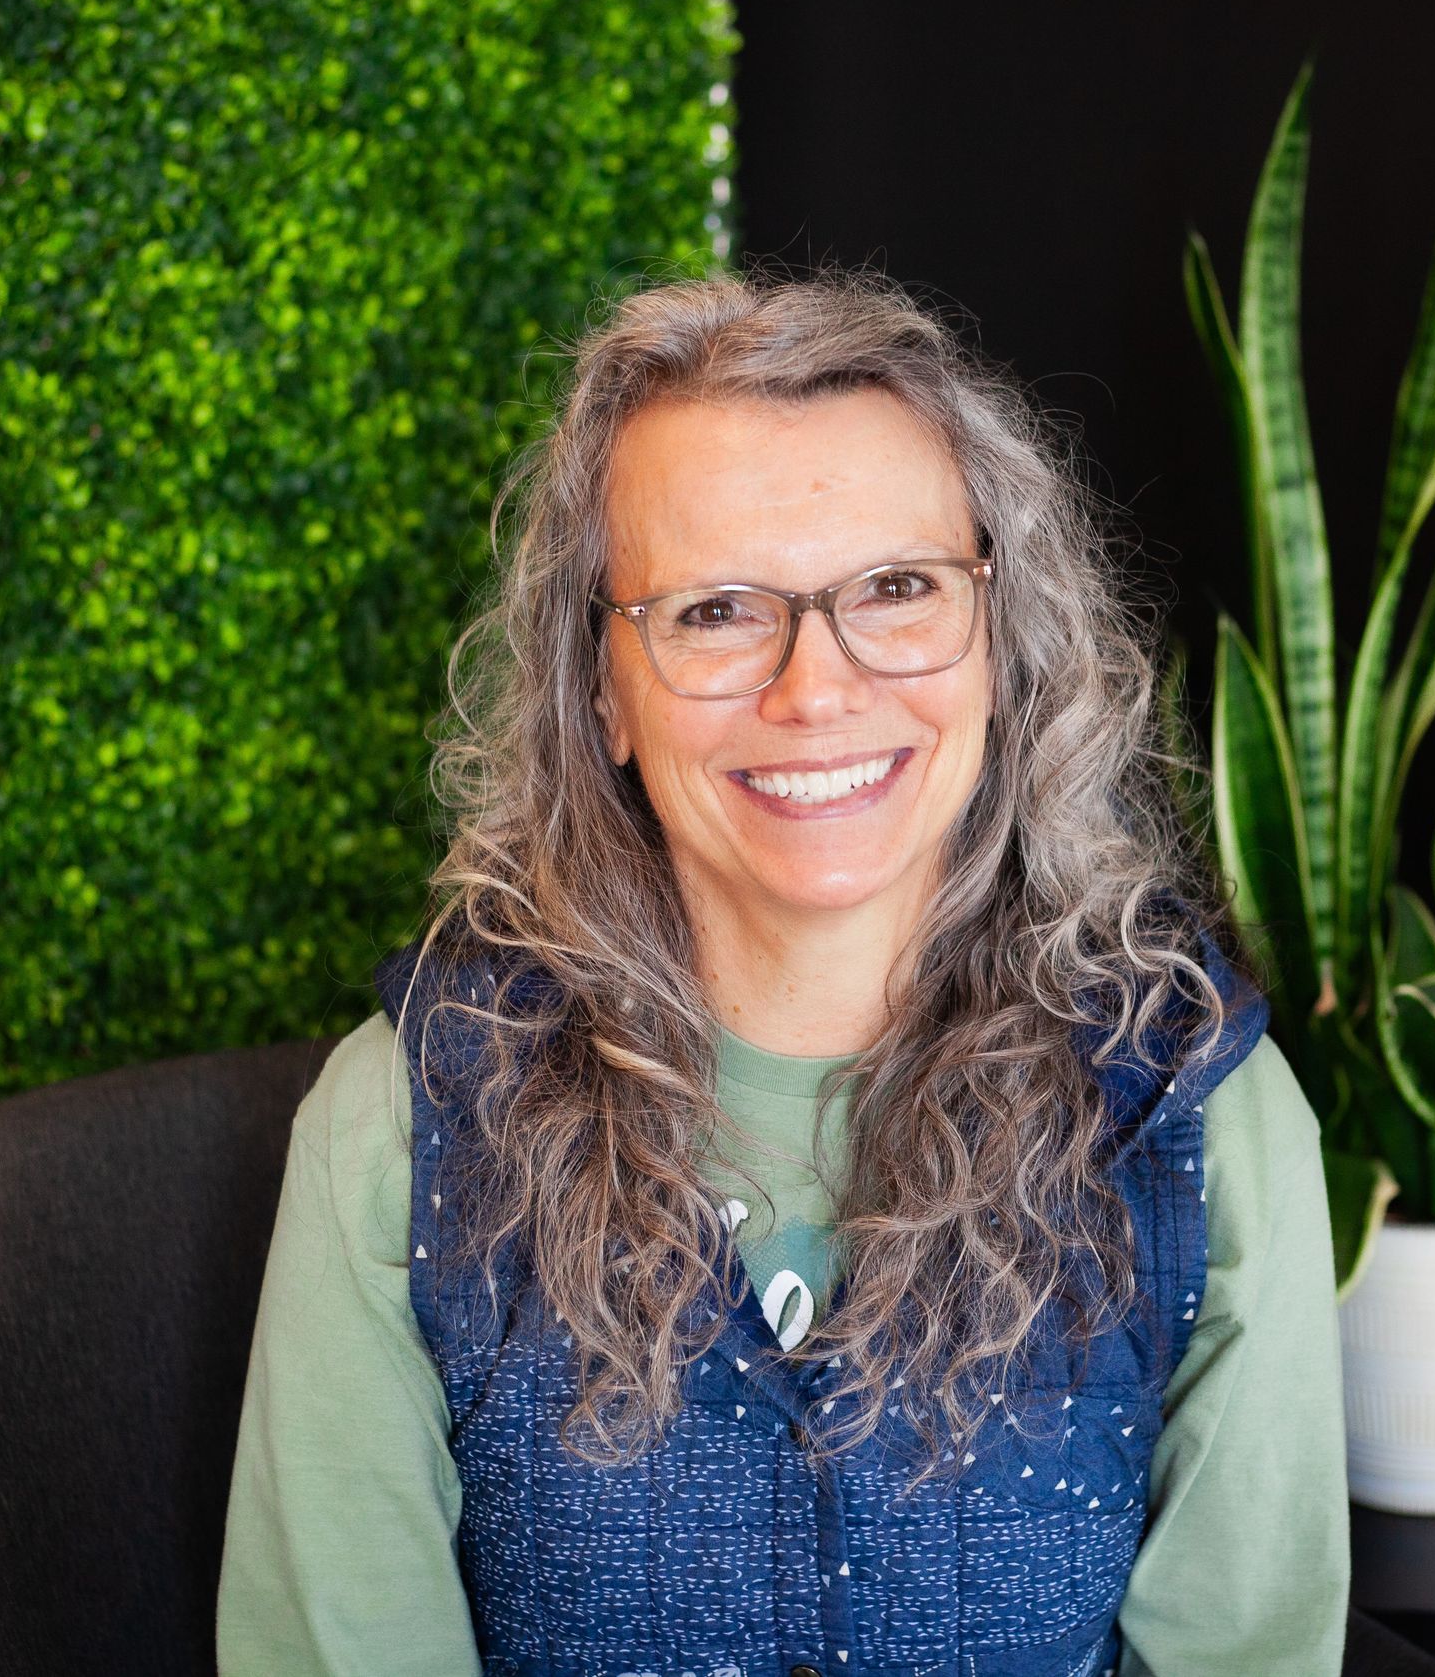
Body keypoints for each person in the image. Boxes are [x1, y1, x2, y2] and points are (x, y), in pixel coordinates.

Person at [215, 263, 1349, 1676]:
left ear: (998, 646)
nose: (815, 689)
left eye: (898, 587)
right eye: (714, 610)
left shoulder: (1200, 1117)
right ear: (601, 690)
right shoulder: (399, 1125)